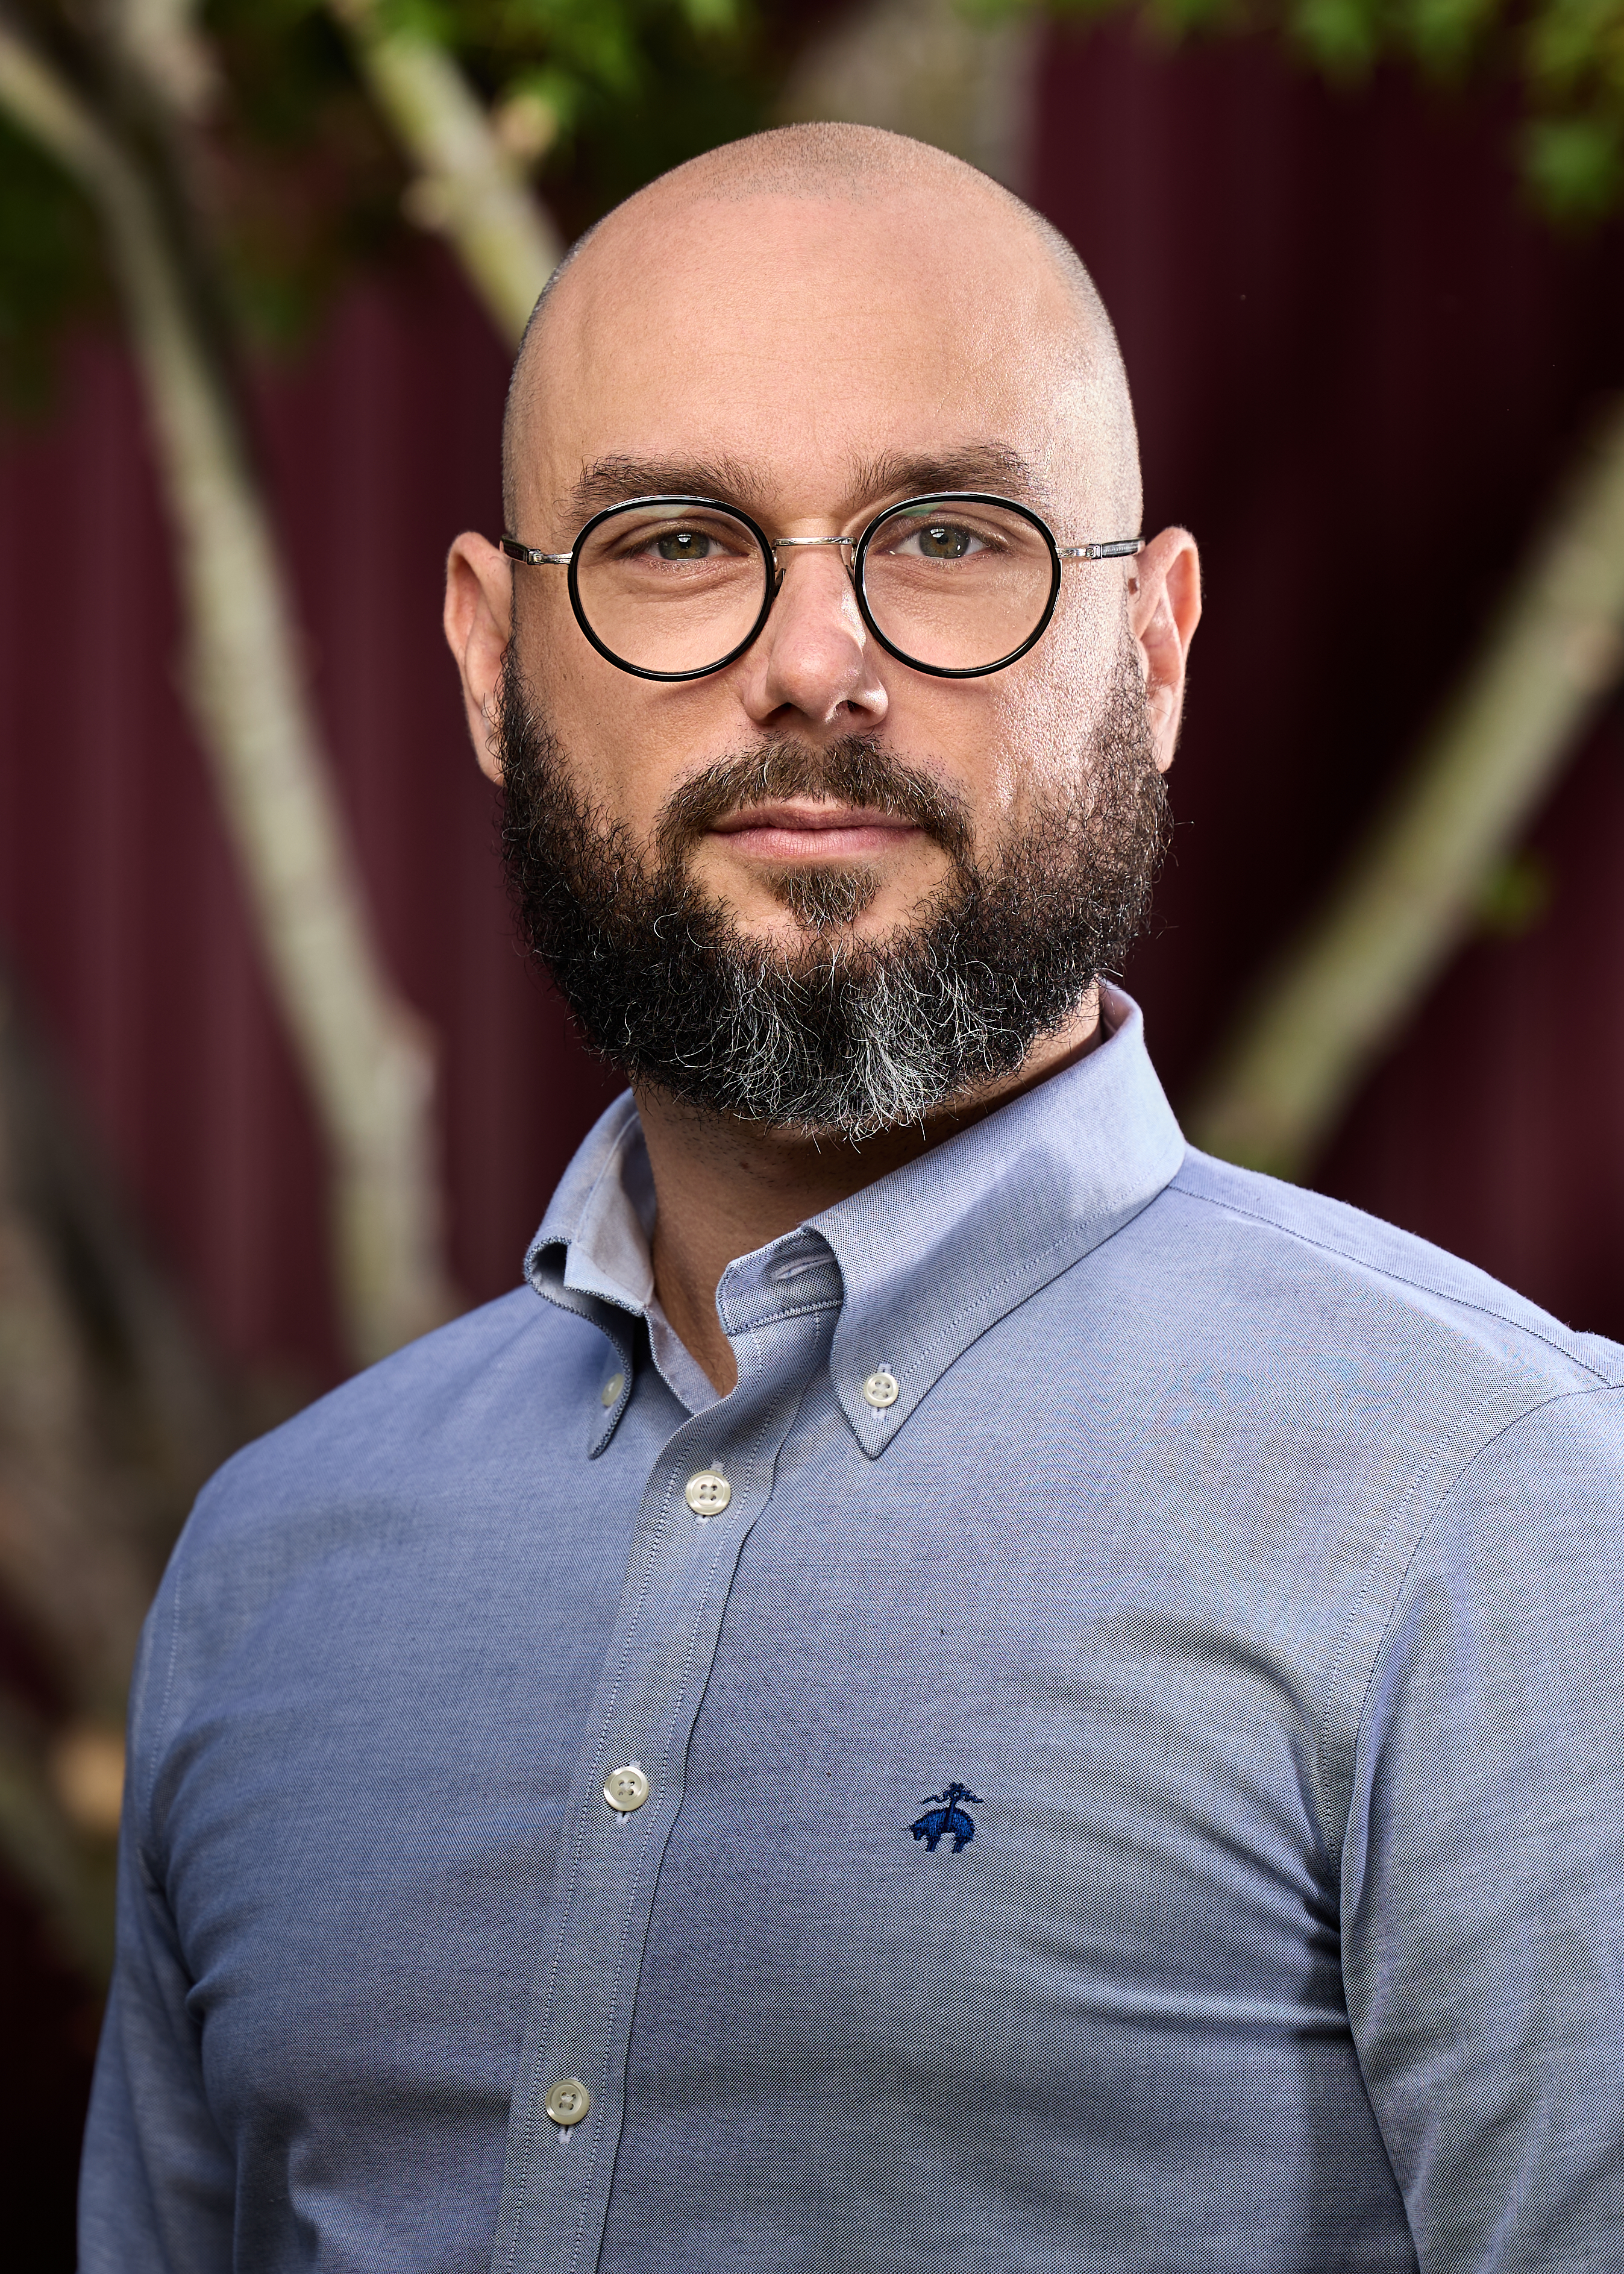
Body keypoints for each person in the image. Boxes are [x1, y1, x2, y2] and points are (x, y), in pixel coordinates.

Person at [80, 122, 1624, 2274]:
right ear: (484, 663)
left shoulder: (1507, 1514)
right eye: (681, 542)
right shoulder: (272, 1577)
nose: (816, 661)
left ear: (1154, 653)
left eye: (954, 535)